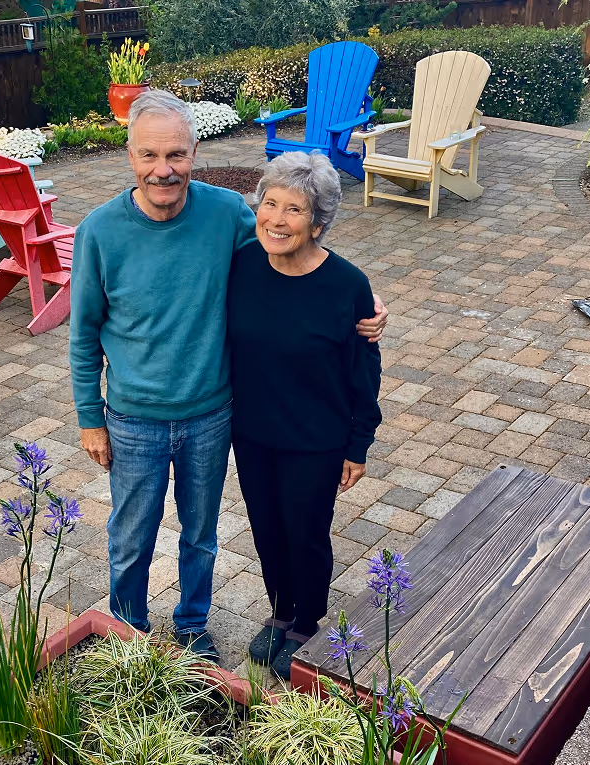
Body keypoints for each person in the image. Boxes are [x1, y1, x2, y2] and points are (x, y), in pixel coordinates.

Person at [69, 90, 387, 662]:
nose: (163, 169)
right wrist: (91, 419)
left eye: (176, 154)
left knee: (201, 536)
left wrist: (364, 305)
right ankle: (127, 637)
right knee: (130, 539)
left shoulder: (226, 216)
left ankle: (194, 627)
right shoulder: (99, 231)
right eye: (148, 155)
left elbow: (295, 253)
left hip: (213, 415)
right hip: (135, 418)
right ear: (130, 154)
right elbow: (82, 333)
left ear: (195, 152)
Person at [227, 150, 383, 680]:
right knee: (267, 528)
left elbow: (364, 366)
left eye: (293, 210)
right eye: (269, 204)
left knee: (306, 531)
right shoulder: (242, 264)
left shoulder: (346, 285)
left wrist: (357, 444)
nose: (276, 219)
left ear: (318, 222)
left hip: (316, 438)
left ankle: (306, 622)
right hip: (251, 432)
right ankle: (279, 611)